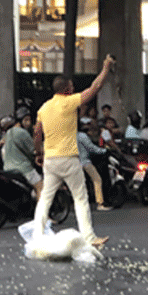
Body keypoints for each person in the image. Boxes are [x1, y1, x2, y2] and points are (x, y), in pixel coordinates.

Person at [32, 55, 115, 249]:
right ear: (67, 89)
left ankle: (37, 235)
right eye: (71, 86)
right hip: (68, 159)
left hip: (50, 160)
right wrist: (105, 68)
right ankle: (89, 237)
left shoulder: (44, 108)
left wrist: (39, 153)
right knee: (80, 198)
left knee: (45, 199)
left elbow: (37, 133)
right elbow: (94, 88)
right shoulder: (68, 102)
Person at [2, 108, 43, 198]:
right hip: (23, 168)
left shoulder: (8, 132)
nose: (28, 123)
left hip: (7, 168)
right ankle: (42, 211)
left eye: (29, 120)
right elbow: (34, 149)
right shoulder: (22, 133)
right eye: (26, 120)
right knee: (41, 187)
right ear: (20, 121)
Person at [78, 118, 110, 211]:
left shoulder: (71, 135)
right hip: (85, 162)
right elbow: (91, 148)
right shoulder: (83, 136)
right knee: (97, 180)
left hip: (74, 163)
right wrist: (104, 151)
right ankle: (100, 203)